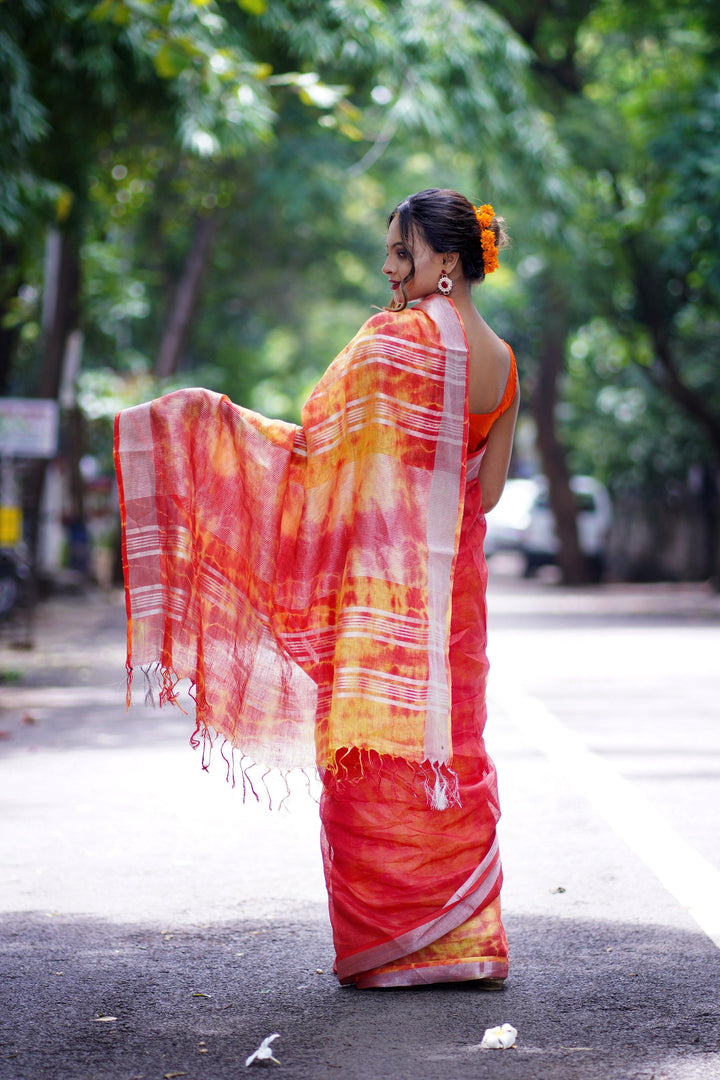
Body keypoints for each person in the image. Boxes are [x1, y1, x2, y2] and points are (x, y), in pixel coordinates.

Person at [114, 187, 519, 990]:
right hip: (452, 603)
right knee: (450, 745)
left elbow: (319, 456)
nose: (388, 266)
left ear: (445, 262)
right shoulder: (506, 365)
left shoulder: (389, 345)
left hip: (383, 601)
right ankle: (464, 942)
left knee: (372, 747)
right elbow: (491, 493)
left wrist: (211, 431)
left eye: (401, 251)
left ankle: (392, 947)